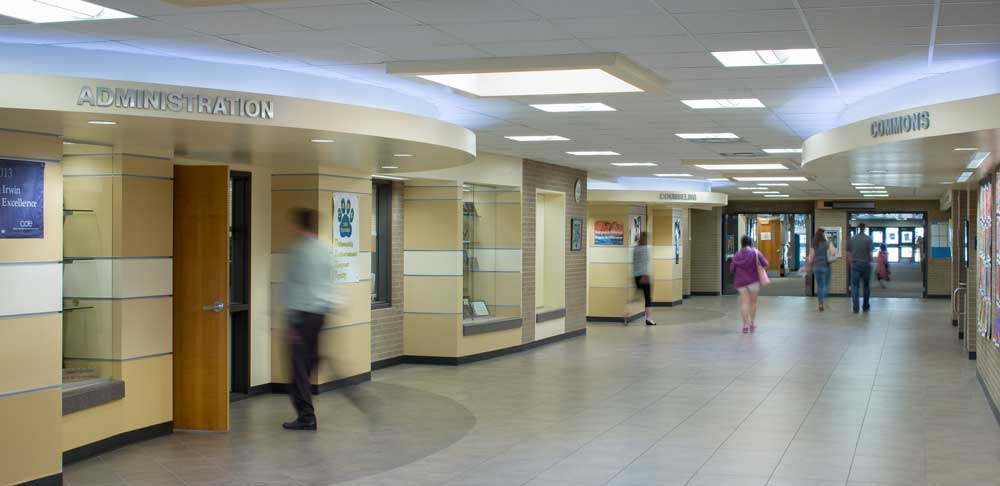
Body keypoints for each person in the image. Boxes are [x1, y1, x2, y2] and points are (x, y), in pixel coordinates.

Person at [283, 208, 337, 431]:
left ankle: (306, 417)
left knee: (298, 368)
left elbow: (294, 288)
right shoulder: (326, 249)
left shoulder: (299, 252)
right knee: (307, 361)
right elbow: (332, 281)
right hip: (320, 314)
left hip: (303, 315)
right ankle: (317, 359)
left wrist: (291, 322)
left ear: (297, 226)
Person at [730, 235, 768, 334]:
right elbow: (765, 263)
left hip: (740, 282)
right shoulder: (755, 252)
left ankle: (745, 325)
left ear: (741, 243)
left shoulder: (737, 255)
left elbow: (731, 269)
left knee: (744, 302)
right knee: (753, 302)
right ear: (751, 243)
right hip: (754, 281)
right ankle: (752, 323)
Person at [806, 228, 836, 311]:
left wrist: (809, 266)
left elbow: (811, 258)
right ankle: (823, 296)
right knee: (826, 285)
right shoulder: (828, 243)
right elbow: (833, 252)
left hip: (817, 267)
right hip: (826, 266)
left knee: (820, 286)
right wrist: (831, 244)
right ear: (823, 235)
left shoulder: (814, 245)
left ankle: (820, 302)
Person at [846, 224, 874, 313]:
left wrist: (851, 263)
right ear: (864, 229)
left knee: (855, 287)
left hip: (855, 265)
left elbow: (848, 253)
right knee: (866, 286)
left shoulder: (852, 239)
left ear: (858, 228)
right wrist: (870, 262)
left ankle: (855, 307)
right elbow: (870, 254)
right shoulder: (868, 239)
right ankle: (865, 306)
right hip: (865, 264)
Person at [632, 231, 655, 326]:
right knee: (648, 298)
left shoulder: (635, 249)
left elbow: (634, 262)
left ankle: (626, 313)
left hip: (636, 276)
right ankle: (648, 319)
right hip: (644, 276)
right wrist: (645, 276)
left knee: (637, 297)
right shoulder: (645, 249)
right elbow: (645, 262)